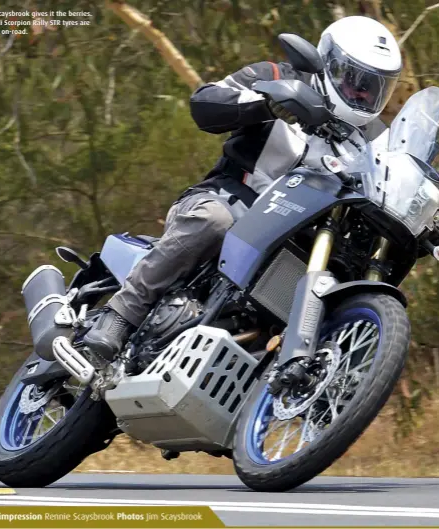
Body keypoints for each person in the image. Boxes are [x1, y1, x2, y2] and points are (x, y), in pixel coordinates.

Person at [83, 15, 403, 361]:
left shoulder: (378, 141)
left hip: (298, 241)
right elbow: (205, 102)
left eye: (372, 87)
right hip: (234, 200)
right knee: (215, 220)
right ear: (329, 64)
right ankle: (121, 314)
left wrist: (433, 216)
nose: (361, 93)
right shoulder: (279, 77)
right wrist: (263, 105)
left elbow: (393, 183)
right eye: (354, 80)